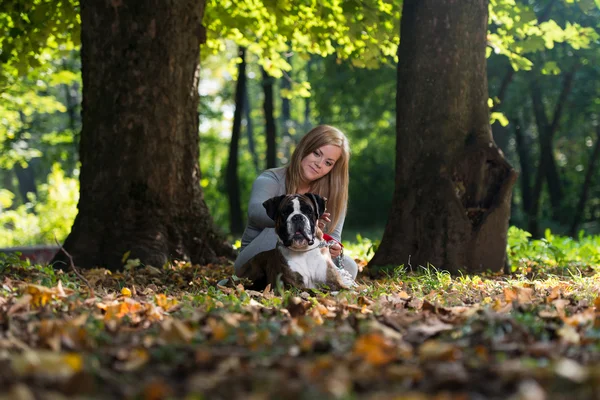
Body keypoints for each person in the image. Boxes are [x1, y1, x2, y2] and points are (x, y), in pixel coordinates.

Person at [234, 124, 358, 280]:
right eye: (316, 153)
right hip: (257, 260)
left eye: (328, 163)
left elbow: (333, 237)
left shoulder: (335, 193)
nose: (319, 164)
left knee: (350, 266)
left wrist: (334, 247)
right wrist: (302, 220)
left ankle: (301, 281)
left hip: (306, 255)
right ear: (305, 148)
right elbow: (255, 213)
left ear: (333, 168)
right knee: (280, 229)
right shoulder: (270, 179)